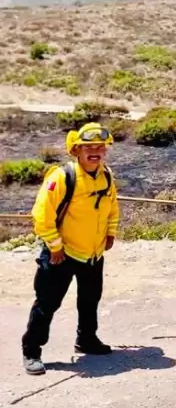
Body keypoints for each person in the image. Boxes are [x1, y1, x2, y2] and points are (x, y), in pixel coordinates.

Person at [21, 122, 119, 376]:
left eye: (100, 147)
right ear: (76, 150)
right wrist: (55, 246)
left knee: (89, 300)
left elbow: (112, 208)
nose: (95, 151)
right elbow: (42, 216)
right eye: (89, 147)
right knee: (47, 304)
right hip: (61, 254)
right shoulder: (62, 177)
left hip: (93, 254)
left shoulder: (106, 175)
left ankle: (86, 339)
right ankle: (32, 350)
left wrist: (110, 233)